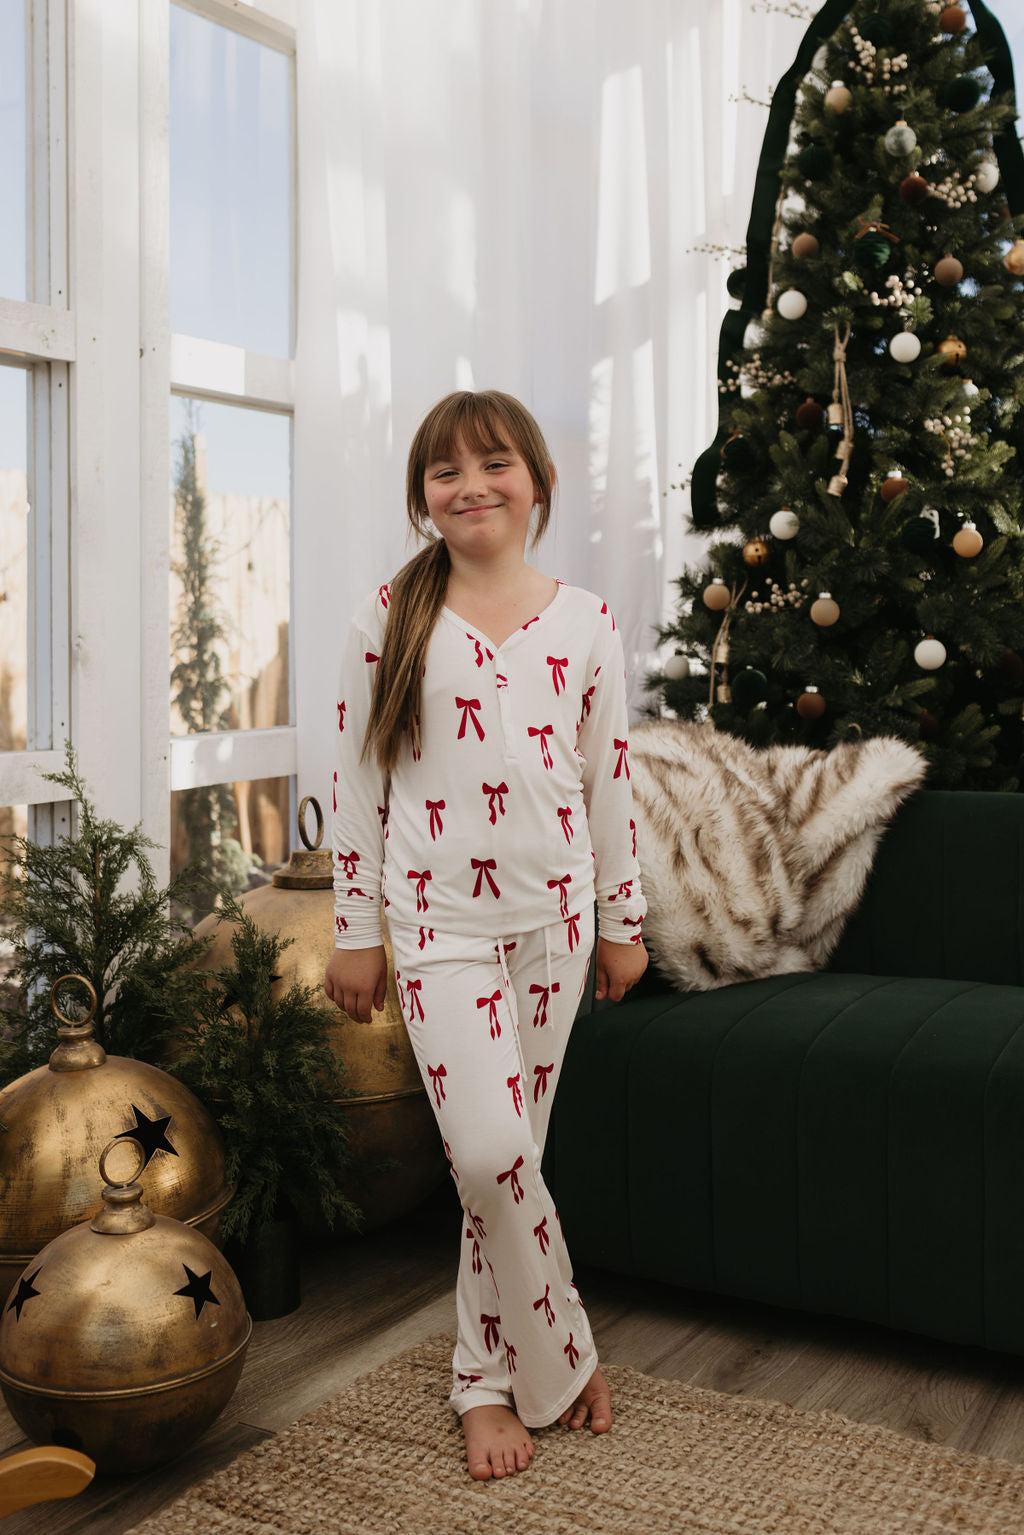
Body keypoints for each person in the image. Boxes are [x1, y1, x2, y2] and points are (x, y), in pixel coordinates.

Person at [324, 389, 648, 1481]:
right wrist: (353, 927)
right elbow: (358, 780)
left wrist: (621, 919)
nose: (470, 485)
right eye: (443, 471)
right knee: (489, 1151)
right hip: (438, 927)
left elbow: (608, 783)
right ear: (422, 499)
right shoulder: (391, 615)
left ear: (537, 482)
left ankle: (484, 1377)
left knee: (502, 1175)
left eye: (492, 463)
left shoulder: (587, 620)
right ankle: (563, 1353)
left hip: (554, 928)